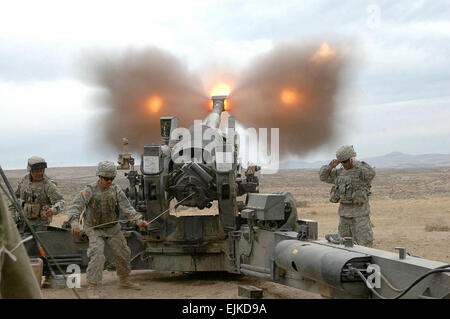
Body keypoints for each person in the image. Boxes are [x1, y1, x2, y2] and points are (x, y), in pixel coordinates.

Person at [67, 160, 148, 299]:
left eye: (112, 178)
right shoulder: (89, 191)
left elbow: (127, 208)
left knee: (123, 253)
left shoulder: (116, 191)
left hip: (113, 228)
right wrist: (74, 223)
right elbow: (75, 208)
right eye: (106, 179)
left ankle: (124, 280)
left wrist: (138, 220)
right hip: (94, 229)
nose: (109, 181)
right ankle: (93, 286)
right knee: (97, 255)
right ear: (99, 177)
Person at [319, 145, 376, 247]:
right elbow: (323, 177)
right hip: (344, 218)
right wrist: (330, 166)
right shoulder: (339, 173)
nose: (343, 164)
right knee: (343, 246)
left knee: (365, 246)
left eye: (345, 161)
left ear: (351, 159)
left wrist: (357, 163)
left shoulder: (361, 171)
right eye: (341, 162)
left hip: (360, 217)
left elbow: (371, 174)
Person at [0, 192, 43, 298]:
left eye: (40, 173)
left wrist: (52, 210)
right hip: (23, 224)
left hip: (41, 224)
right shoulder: (24, 183)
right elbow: (13, 201)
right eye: (34, 173)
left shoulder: (48, 185)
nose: (38, 173)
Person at [12, 156, 65, 232]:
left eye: (42, 170)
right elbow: (14, 197)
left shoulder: (48, 184)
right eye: (36, 171)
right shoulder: (25, 180)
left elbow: (61, 201)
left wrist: (53, 210)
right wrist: (11, 215)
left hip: (40, 226)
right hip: (23, 222)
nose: (40, 173)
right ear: (30, 170)